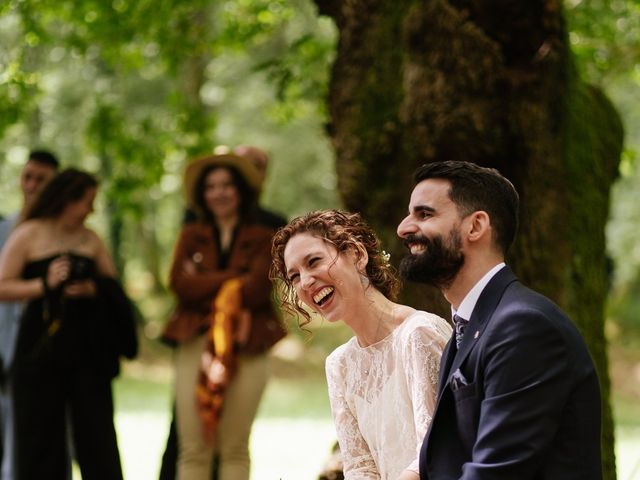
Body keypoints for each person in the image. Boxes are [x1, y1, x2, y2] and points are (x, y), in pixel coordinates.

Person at [396, 160, 602, 480]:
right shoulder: (471, 326)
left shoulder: (524, 327)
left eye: (424, 214)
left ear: (475, 226)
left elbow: (495, 472)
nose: (404, 228)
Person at [271, 209, 451, 480]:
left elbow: (435, 452)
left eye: (314, 261)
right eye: (294, 276)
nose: (306, 281)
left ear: (357, 254)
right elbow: (359, 467)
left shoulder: (419, 334)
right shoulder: (339, 365)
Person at [0, 168, 135, 479]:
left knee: (97, 434)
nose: (91, 209)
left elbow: (114, 292)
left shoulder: (91, 239)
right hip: (39, 349)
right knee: (39, 437)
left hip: (87, 350)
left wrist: (93, 289)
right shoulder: (28, 233)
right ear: (67, 200)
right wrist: (45, 285)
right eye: (87, 201)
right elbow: (3, 286)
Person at [161, 153, 286, 480]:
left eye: (227, 185)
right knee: (193, 450)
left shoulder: (265, 235)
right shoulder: (191, 234)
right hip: (195, 340)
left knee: (233, 448)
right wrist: (235, 279)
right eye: (211, 186)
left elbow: (259, 288)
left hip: (248, 341)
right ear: (202, 194)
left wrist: (203, 278)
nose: (219, 193)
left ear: (241, 191)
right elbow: (179, 284)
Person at [0, 150, 59, 480]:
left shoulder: (61, 234)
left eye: (42, 179)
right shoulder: (4, 229)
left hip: (37, 352)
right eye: (28, 176)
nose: (32, 185)